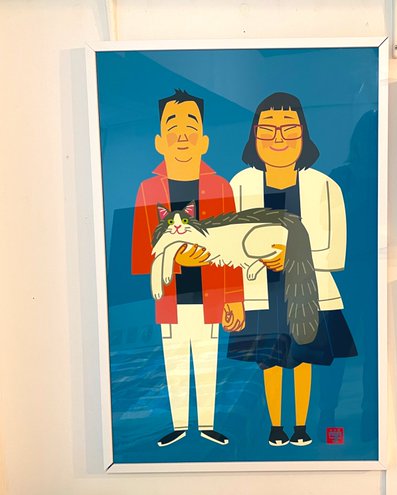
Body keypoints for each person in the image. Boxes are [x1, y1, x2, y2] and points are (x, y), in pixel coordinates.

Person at [228, 92, 358, 447]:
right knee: (269, 361)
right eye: (267, 130)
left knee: (303, 360)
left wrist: (291, 257)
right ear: (254, 136)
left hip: (308, 291)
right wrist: (234, 293)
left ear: (304, 134)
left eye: (289, 129)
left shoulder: (325, 187)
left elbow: (336, 253)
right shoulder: (240, 184)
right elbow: (230, 245)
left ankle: (301, 426)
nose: (278, 139)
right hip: (261, 291)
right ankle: (275, 427)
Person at [131, 89, 245, 447]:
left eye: (191, 125)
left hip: (211, 294)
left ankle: (207, 423)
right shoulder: (148, 190)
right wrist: (177, 260)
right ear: (159, 141)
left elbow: (232, 248)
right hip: (169, 295)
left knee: (208, 360)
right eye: (172, 126)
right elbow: (140, 252)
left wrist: (235, 298)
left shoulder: (219, 187)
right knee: (175, 361)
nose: (182, 134)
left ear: (204, 141)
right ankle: (179, 424)